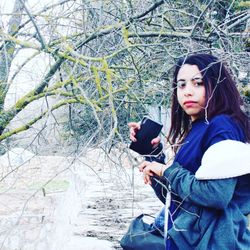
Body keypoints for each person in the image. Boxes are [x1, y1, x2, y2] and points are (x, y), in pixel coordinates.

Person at [128, 53, 250, 249]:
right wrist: (153, 156)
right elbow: (180, 201)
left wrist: (166, 170)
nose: (187, 92)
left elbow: (216, 196)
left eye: (198, 83)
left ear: (216, 86)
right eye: (181, 85)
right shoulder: (200, 128)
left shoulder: (222, 127)